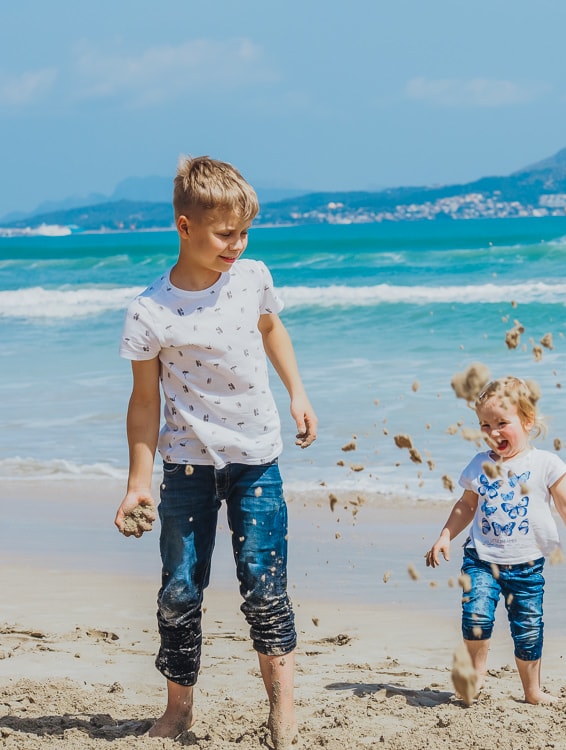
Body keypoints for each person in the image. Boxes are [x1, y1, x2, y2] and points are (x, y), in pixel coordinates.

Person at [114, 155, 317, 749]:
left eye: (243, 233)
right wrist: (137, 482)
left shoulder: (252, 276)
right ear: (184, 226)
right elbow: (144, 404)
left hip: (258, 461)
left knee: (264, 584)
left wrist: (298, 393)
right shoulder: (149, 311)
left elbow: (271, 327)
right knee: (179, 589)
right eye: (225, 233)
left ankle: (283, 711)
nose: (236, 245)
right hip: (185, 469)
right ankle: (178, 711)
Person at [425, 376, 566, 705]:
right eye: (485, 424)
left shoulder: (545, 464)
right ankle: (477, 675)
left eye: (502, 423)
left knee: (528, 629)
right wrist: (445, 535)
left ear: (527, 420)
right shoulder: (480, 464)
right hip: (480, 558)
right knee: (476, 615)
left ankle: (532, 690)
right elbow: (466, 505)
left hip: (526, 565)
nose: (494, 432)